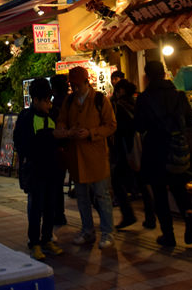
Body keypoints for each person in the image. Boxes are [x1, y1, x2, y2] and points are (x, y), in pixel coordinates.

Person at [134, 60, 192, 248]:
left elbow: (138, 126)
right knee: (179, 188)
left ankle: (168, 235)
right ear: (164, 74)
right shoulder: (179, 96)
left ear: (147, 77)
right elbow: (191, 120)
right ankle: (190, 214)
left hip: (155, 151)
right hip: (176, 149)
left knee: (160, 194)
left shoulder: (144, 99)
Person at [56, 66, 117, 249]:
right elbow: (61, 121)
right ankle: (87, 230)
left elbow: (111, 125)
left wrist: (91, 133)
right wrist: (67, 132)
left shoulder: (99, 99)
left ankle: (107, 233)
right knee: (82, 196)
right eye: (71, 85)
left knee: (102, 195)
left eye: (76, 85)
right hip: (76, 156)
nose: (73, 88)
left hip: (96, 155)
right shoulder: (69, 101)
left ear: (85, 82)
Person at [14, 78, 65, 261]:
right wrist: (49, 137)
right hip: (35, 169)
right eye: (45, 100)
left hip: (53, 168)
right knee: (36, 207)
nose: (49, 104)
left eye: (49, 100)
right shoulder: (26, 118)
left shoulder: (53, 115)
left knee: (51, 205)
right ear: (35, 100)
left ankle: (47, 239)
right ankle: (34, 243)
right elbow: (22, 143)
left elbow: (60, 139)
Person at [110, 79, 156, 231]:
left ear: (121, 91)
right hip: (143, 147)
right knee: (143, 182)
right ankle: (150, 218)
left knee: (117, 181)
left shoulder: (119, 107)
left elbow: (119, 129)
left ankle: (128, 214)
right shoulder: (138, 103)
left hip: (127, 149)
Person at [49, 74, 70, 228]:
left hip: (59, 148)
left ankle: (59, 215)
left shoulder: (54, 105)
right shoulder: (72, 101)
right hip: (75, 145)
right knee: (85, 184)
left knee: (56, 183)